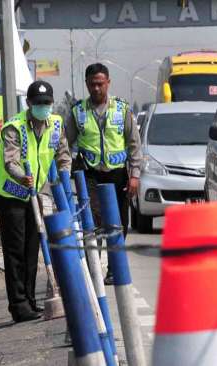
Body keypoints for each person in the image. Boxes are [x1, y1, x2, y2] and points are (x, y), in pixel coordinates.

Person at [0, 81, 71, 323]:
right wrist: (23, 178)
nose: (43, 107)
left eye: (46, 103)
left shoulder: (56, 124)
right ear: (29, 104)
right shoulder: (14, 128)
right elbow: (10, 162)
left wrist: (65, 179)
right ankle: (18, 306)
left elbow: (63, 155)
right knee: (16, 250)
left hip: (32, 193)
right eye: (38, 104)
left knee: (32, 248)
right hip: (10, 193)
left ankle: (30, 301)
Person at [66, 63, 142, 285]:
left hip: (118, 175)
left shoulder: (122, 109)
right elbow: (65, 143)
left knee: (119, 223)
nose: (96, 88)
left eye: (100, 84)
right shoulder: (78, 112)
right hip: (90, 175)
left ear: (108, 83)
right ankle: (94, 270)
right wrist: (66, 167)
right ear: (87, 85)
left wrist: (135, 175)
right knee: (95, 221)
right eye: (92, 84)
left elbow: (134, 144)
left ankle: (114, 268)